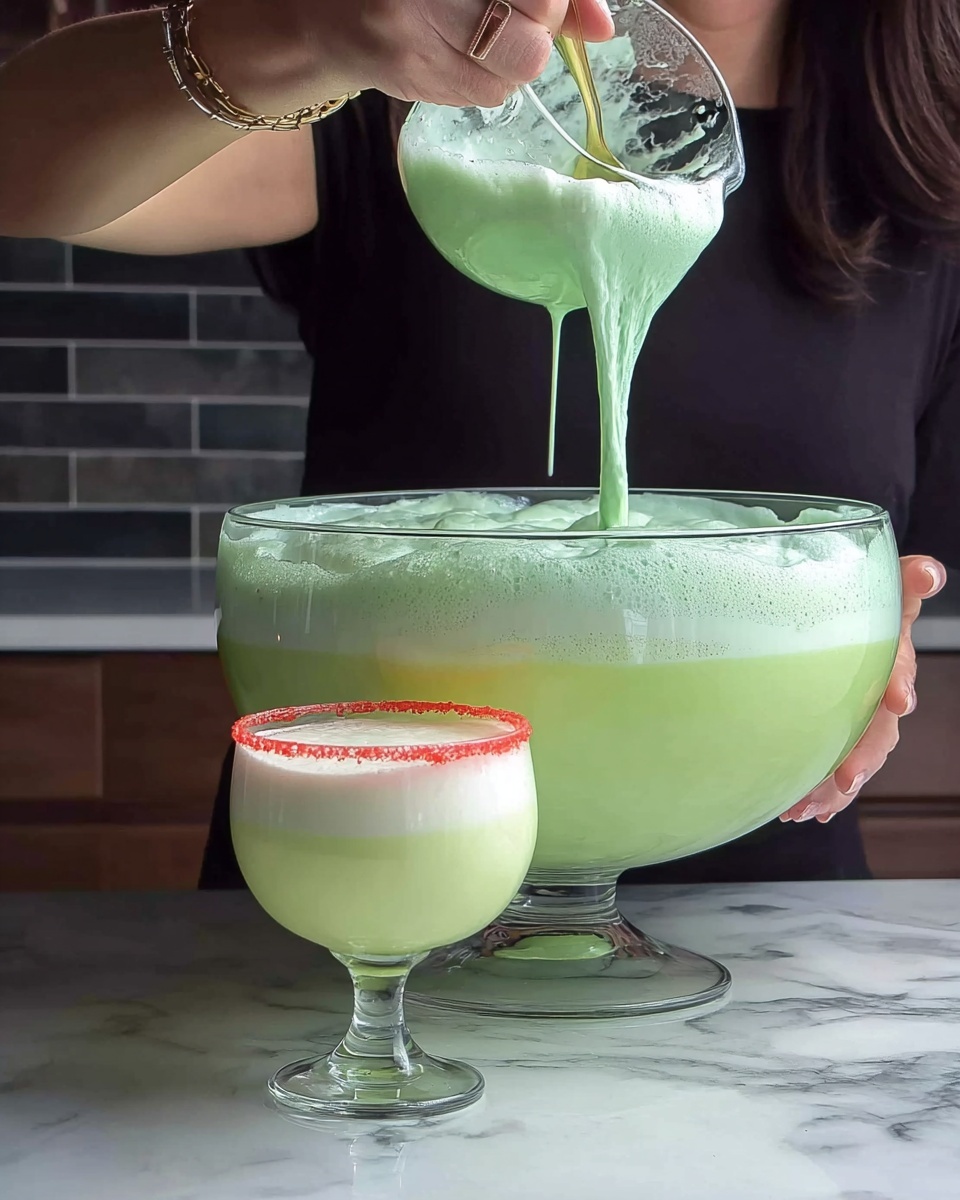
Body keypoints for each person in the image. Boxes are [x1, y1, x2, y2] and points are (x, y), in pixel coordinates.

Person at [0, 0, 953, 886]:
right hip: (367, 914)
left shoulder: (929, 158)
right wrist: (297, 27)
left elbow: (921, 553)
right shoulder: (400, 75)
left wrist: (872, 615)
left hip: (776, 932)